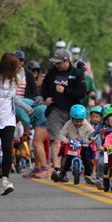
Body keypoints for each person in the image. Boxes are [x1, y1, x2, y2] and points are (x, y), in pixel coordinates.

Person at [0, 52, 33, 195]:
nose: (18, 69)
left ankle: (5, 180)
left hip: (9, 119)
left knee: (8, 149)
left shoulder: (16, 79)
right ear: (8, 66)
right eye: (15, 66)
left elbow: (13, 98)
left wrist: (27, 107)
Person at [42, 49, 87, 182]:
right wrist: (47, 97)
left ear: (67, 61)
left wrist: (65, 91)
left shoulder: (77, 74)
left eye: (59, 63)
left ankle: (64, 170)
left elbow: (82, 93)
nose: (57, 65)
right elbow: (44, 87)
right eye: (55, 63)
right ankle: (56, 170)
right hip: (55, 110)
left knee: (69, 142)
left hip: (72, 113)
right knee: (56, 140)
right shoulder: (52, 73)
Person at [54, 104, 101, 189]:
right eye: (76, 121)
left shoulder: (87, 125)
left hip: (84, 144)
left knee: (86, 160)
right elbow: (61, 134)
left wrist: (88, 140)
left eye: (81, 121)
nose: (79, 123)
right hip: (72, 144)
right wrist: (65, 140)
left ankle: (88, 176)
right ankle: (62, 173)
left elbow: (93, 135)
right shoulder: (68, 124)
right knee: (68, 159)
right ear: (72, 118)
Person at [15, 98, 50, 179]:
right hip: (39, 114)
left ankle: (45, 168)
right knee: (36, 143)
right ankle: (37, 169)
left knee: (37, 142)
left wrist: (25, 134)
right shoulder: (15, 101)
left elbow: (25, 120)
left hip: (42, 114)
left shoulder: (14, 104)